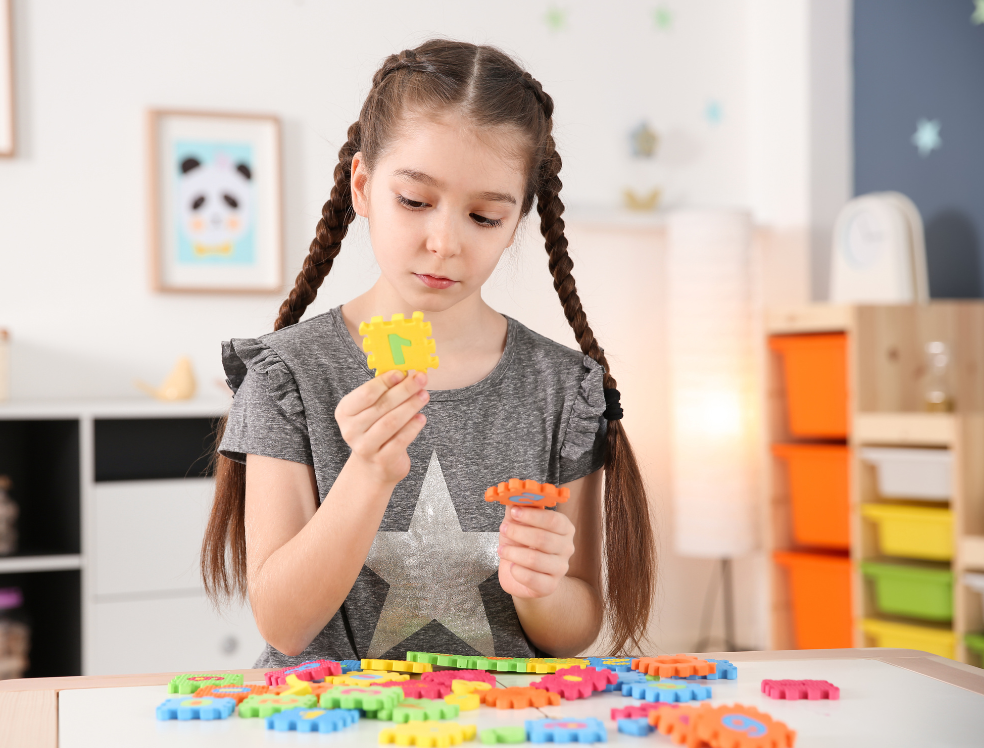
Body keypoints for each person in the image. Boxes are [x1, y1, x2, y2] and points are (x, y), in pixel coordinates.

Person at [202, 40, 654, 669]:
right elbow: (284, 624)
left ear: (519, 219)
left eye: (485, 217)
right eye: (414, 202)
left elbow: (574, 628)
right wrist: (367, 473)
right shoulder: (289, 376)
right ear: (363, 186)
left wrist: (541, 586)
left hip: (505, 722)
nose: (444, 243)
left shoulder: (561, 388)